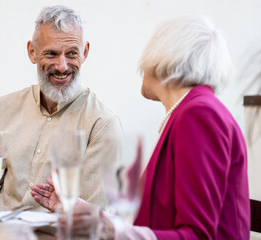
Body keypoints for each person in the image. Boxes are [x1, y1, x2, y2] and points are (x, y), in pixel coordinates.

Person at [32, 15, 250, 239]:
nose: (141, 67)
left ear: (165, 58)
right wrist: (87, 214)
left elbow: (198, 235)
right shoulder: (190, 111)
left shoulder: (199, 115)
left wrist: (116, 232)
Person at [0, 5, 122, 212]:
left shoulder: (102, 123)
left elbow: (93, 218)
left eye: (71, 53)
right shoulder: (2, 109)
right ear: (32, 52)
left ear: (85, 52)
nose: (62, 66)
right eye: (51, 54)